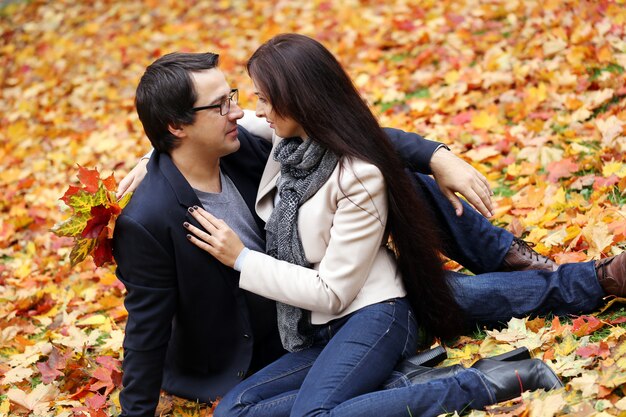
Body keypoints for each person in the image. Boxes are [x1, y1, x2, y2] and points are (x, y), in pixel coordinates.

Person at [181, 34, 620, 417]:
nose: (252, 111)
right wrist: (161, 154)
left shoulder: (357, 174)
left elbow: (332, 292)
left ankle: (484, 382)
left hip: (373, 312)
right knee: (234, 410)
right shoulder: (290, 144)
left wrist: (242, 259)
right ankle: (396, 386)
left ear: (300, 99)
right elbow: (215, 131)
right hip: (318, 329)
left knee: (314, 413)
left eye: (262, 98)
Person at [113, 49, 545, 417]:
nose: (240, 112)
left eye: (235, 98)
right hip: (289, 338)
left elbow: (341, 128)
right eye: (222, 105)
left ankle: (494, 368)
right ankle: (400, 378)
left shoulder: (243, 147)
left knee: (450, 290)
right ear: (176, 125)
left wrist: (434, 154)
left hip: (349, 299)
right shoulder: (150, 219)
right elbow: (145, 330)